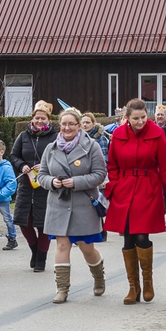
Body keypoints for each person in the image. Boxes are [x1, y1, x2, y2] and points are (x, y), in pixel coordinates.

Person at [104, 99, 166, 305]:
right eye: (135, 119)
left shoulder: (157, 133)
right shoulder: (118, 135)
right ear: (127, 118)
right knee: (127, 237)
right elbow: (112, 165)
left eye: (143, 118)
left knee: (142, 235)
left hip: (148, 187)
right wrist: (115, 185)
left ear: (148, 115)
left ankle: (147, 281)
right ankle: (133, 286)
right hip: (124, 188)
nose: (140, 122)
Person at [37, 107, 107, 304]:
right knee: (62, 244)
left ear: (79, 126)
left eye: (72, 124)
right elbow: (41, 175)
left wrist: (76, 182)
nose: (67, 128)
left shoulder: (91, 146)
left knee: (86, 247)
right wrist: (51, 182)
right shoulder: (51, 148)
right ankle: (62, 289)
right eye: (64, 124)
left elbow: (100, 175)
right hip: (59, 204)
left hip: (83, 205)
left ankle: (99, 277)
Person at [10, 100, 58, 272]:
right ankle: (34, 249)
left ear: (49, 120)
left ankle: (42, 258)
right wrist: (21, 164)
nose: (40, 121)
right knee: (24, 221)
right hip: (26, 183)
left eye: (43, 118)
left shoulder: (55, 137)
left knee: (43, 223)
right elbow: (13, 155)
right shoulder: (23, 136)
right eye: (37, 118)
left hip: (45, 185)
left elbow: (59, 158)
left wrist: (45, 166)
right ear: (33, 119)